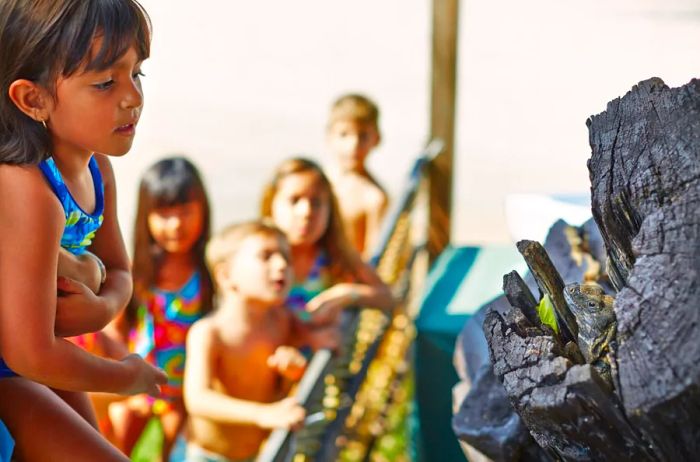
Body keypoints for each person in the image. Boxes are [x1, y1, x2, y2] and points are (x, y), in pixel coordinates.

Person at [0, 1, 166, 460]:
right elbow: (29, 353)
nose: (132, 97)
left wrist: (101, 310)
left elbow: (118, 271)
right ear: (33, 99)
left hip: (29, 361)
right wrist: (125, 376)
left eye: (137, 74)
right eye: (105, 83)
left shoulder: (98, 170)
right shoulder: (27, 191)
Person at [108, 157, 214, 460]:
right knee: (114, 445)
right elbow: (115, 331)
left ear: (203, 211)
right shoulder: (136, 272)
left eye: (185, 212)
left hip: (181, 394)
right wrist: (128, 379)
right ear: (146, 217)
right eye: (164, 214)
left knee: (170, 455)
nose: (176, 224)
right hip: (139, 385)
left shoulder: (208, 275)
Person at [184, 221, 307, 461]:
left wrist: (296, 372)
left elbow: (282, 386)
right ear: (227, 275)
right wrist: (262, 414)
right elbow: (198, 399)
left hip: (257, 455)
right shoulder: (210, 332)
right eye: (266, 256)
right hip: (208, 456)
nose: (282, 265)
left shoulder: (283, 321)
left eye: (285, 257)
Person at [260, 158, 394, 345]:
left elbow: (388, 297)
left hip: (326, 368)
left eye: (316, 203)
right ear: (270, 205)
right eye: (294, 200)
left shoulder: (335, 253)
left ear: (330, 210)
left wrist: (346, 294)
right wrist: (306, 338)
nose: (306, 212)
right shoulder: (257, 259)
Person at [326, 94, 389, 258]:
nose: (353, 144)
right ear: (329, 136)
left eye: (363, 136)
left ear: (377, 139)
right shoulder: (316, 183)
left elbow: (373, 260)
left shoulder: (374, 198)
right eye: (344, 134)